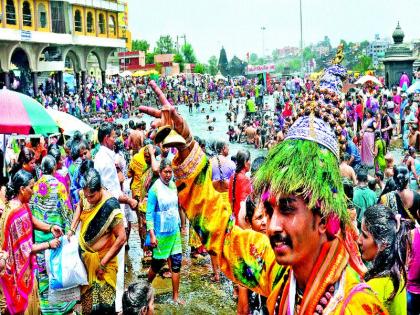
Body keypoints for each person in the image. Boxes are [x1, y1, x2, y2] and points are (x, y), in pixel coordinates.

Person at [139, 72, 386, 314]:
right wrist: (187, 147)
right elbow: (223, 238)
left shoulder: (358, 306)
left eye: (288, 208)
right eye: (269, 209)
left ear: (324, 217)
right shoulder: (278, 268)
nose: (271, 227)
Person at [0, 170, 62, 315]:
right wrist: (49, 244)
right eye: (31, 188)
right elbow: (27, 249)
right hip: (15, 271)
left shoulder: (19, 204)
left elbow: (31, 219)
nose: (33, 192)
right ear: (22, 189)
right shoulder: (15, 213)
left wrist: (50, 228)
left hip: (18, 268)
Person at [94, 122, 137, 315]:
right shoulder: (104, 160)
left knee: (113, 257)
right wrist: (129, 200)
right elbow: (111, 192)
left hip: (107, 214)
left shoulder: (103, 157)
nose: (116, 139)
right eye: (113, 136)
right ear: (105, 139)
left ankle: (112, 299)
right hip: (113, 213)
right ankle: (117, 303)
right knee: (117, 258)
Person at [30, 155, 76, 314]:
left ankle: (46, 309)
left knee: (43, 275)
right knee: (58, 273)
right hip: (57, 238)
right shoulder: (59, 186)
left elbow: (31, 215)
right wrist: (71, 232)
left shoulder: (34, 186)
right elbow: (67, 213)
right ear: (54, 168)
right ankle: (60, 308)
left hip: (39, 242)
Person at [78, 169, 126, 314]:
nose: (88, 200)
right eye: (86, 196)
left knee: (105, 307)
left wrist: (103, 264)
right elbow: (79, 207)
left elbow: (122, 238)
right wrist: (72, 229)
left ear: (100, 189)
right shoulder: (85, 196)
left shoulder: (111, 206)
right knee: (88, 305)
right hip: (86, 263)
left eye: (92, 196)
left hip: (104, 264)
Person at [358, 205, 409, 315]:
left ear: (383, 244)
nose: (359, 240)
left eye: (365, 236)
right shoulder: (396, 275)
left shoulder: (373, 289)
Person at [146, 159, 184, 304]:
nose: (168, 175)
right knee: (157, 265)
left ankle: (175, 297)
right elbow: (149, 214)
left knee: (176, 263)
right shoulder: (154, 189)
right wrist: (152, 235)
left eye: (170, 172)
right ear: (160, 172)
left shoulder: (174, 185)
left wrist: (181, 225)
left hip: (174, 231)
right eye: (166, 172)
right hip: (161, 234)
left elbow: (176, 207)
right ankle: (145, 286)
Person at [128, 144, 159, 251]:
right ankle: (145, 249)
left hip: (150, 201)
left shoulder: (156, 167)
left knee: (149, 225)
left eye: (148, 156)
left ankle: (150, 249)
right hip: (141, 199)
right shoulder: (143, 165)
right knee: (143, 224)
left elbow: (129, 173)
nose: (146, 159)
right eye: (145, 156)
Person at [228, 150, 252, 225]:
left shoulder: (233, 176)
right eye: (250, 160)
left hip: (234, 217)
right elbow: (243, 204)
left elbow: (230, 200)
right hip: (241, 221)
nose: (250, 162)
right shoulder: (245, 179)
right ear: (245, 162)